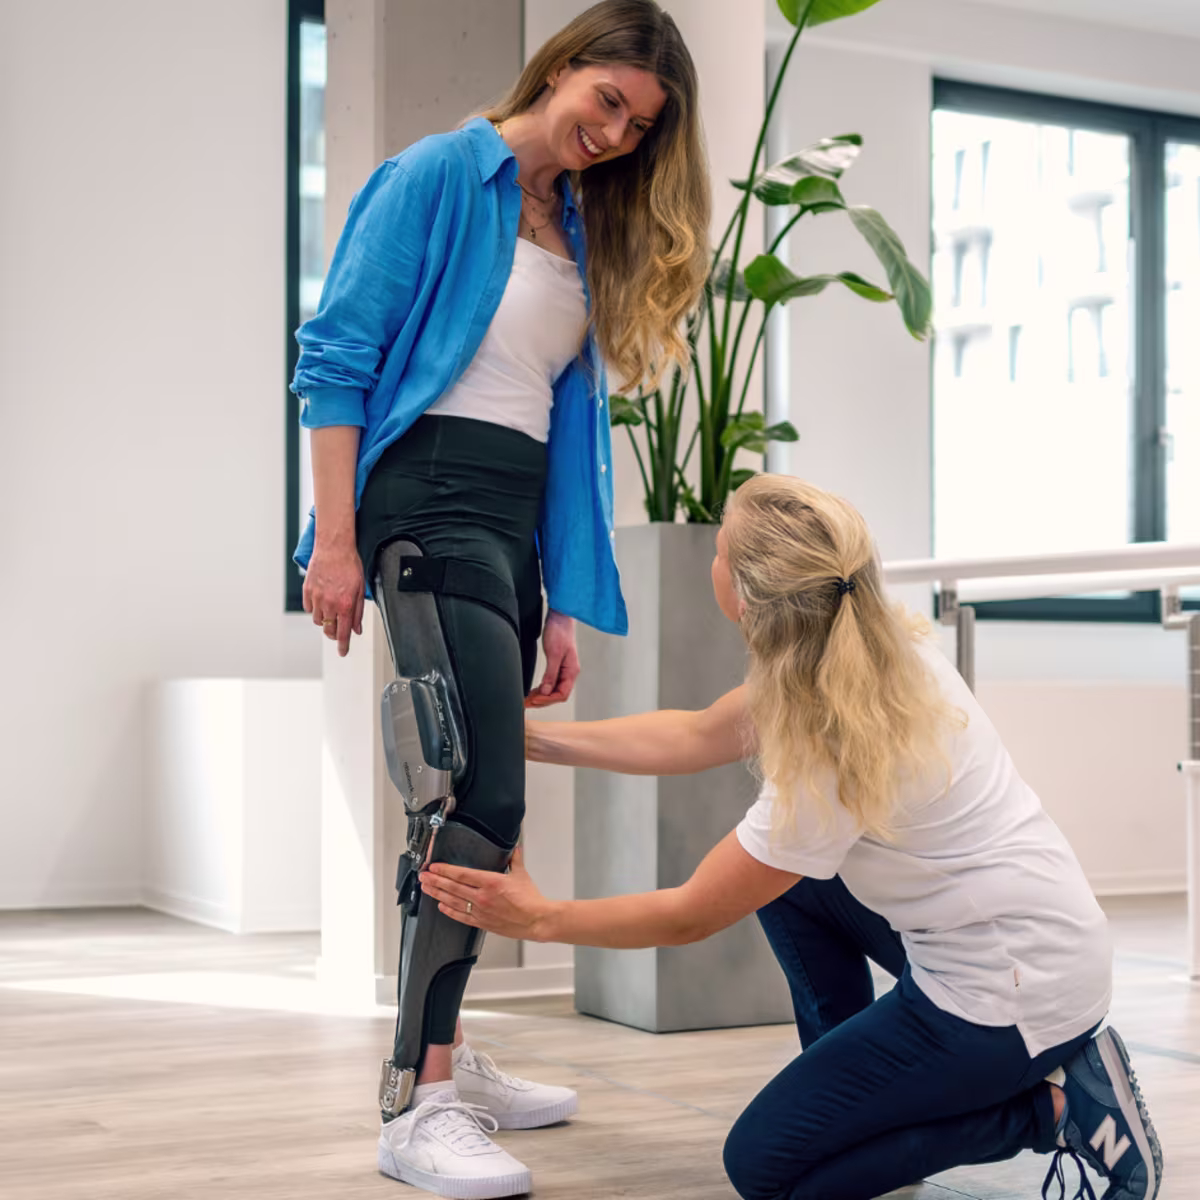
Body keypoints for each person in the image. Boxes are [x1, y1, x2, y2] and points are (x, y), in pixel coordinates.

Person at [419, 474, 1164, 1200]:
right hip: (1036, 944)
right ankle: (870, 1113)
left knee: (768, 1170)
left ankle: (1061, 1113)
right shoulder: (866, 650)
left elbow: (692, 913)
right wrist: (528, 740)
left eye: (717, 548)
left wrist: (540, 917)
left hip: (1008, 999)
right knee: (796, 885)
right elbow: (692, 734)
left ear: (742, 595)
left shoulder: (829, 742)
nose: (710, 554)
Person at [289, 1, 710, 1194]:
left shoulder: (577, 224)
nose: (615, 134)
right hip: (423, 503)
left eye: (639, 127)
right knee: (474, 785)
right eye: (608, 101)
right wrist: (333, 540)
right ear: (564, 66)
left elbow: (561, 420)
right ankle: (414, 1104)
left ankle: (452, 1053)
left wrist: (560, 599)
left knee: (485, 800)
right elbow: (335, 357)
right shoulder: (434, 174)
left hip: (509, 527)